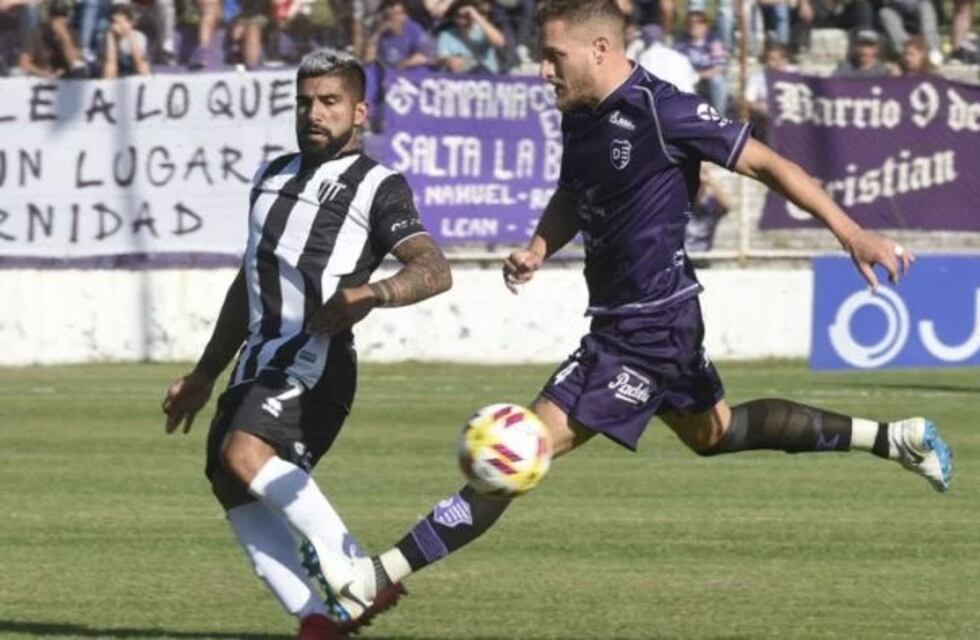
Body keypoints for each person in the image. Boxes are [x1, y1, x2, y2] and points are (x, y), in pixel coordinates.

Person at [309, 0, 954, 628]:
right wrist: (539, 244)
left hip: (646, 329)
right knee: (716, 434)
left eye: (553, 57)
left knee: (517, 450)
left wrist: (851, 234)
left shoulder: (662, 108)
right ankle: (896, 437)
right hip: (643, 320)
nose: (542, 71)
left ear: (600, 49)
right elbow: (571, 190)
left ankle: (373, 577)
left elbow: (768, 162)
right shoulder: (580, 114)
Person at [160, 48, 452, 640]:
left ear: (359, 111)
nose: (313, 113)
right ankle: (317, 620)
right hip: (257, 362)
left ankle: (356, 573)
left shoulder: (377, 185)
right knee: (228, 478)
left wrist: (371, 293)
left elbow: (433, 269)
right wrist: (204, 373)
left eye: (329, 102)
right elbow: (249, 281)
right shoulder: (270, 177)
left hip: (316, 362)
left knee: (244, 454)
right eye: (304, 102)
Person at [673, 6, 729, 115]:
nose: (694, 25)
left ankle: (720, 117)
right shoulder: (680, 43)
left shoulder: (713, 41)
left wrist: (698, 75)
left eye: (699, 22)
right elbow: (675, 65)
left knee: (718, 80)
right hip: (688, 78)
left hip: (707, 77)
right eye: (690, 22)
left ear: (706, 25)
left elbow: (720, 67)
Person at [363, 0, 435, 69]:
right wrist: (378, 33)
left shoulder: (413, 28)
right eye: (393, 14)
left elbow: (429, 57)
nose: (397, 18)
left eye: (400, 13)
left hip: (411, 74)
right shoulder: (380, 32)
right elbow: (368, 60)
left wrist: (418, 60)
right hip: (387, 76)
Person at [101, 3, 151, 77]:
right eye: (115, 22)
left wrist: (129, 34)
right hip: (117, 70)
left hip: (133, 69)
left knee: (143, 65)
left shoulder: (139, 36)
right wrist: (112, 38)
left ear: (130, 23)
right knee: (109, 67)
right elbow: (111, 62)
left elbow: (139, 61)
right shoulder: (105, 38)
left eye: (121, 22)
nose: (117, 26)